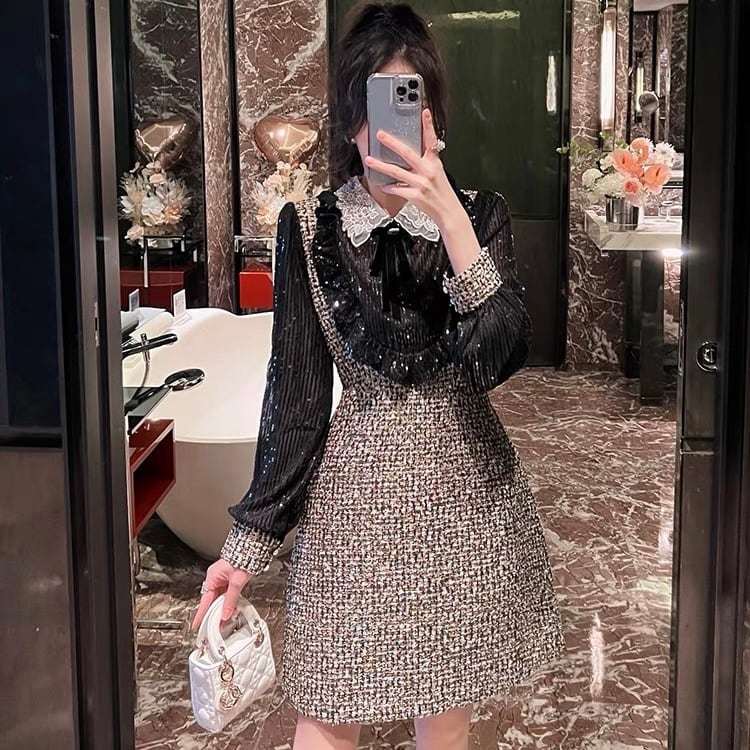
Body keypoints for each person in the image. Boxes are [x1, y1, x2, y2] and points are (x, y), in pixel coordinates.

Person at [192, 3, 563, 748]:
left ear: (433, 116)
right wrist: (246, 546)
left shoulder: (479, 216)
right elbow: (296, 396)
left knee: (445, 715)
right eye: (372, 100)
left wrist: (449, 219)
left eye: (407, 101)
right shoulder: (309, 228)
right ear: (348, 114)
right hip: (352, 509)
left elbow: (500, 354)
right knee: (327, 709)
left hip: (468, 504)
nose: (386, 128)